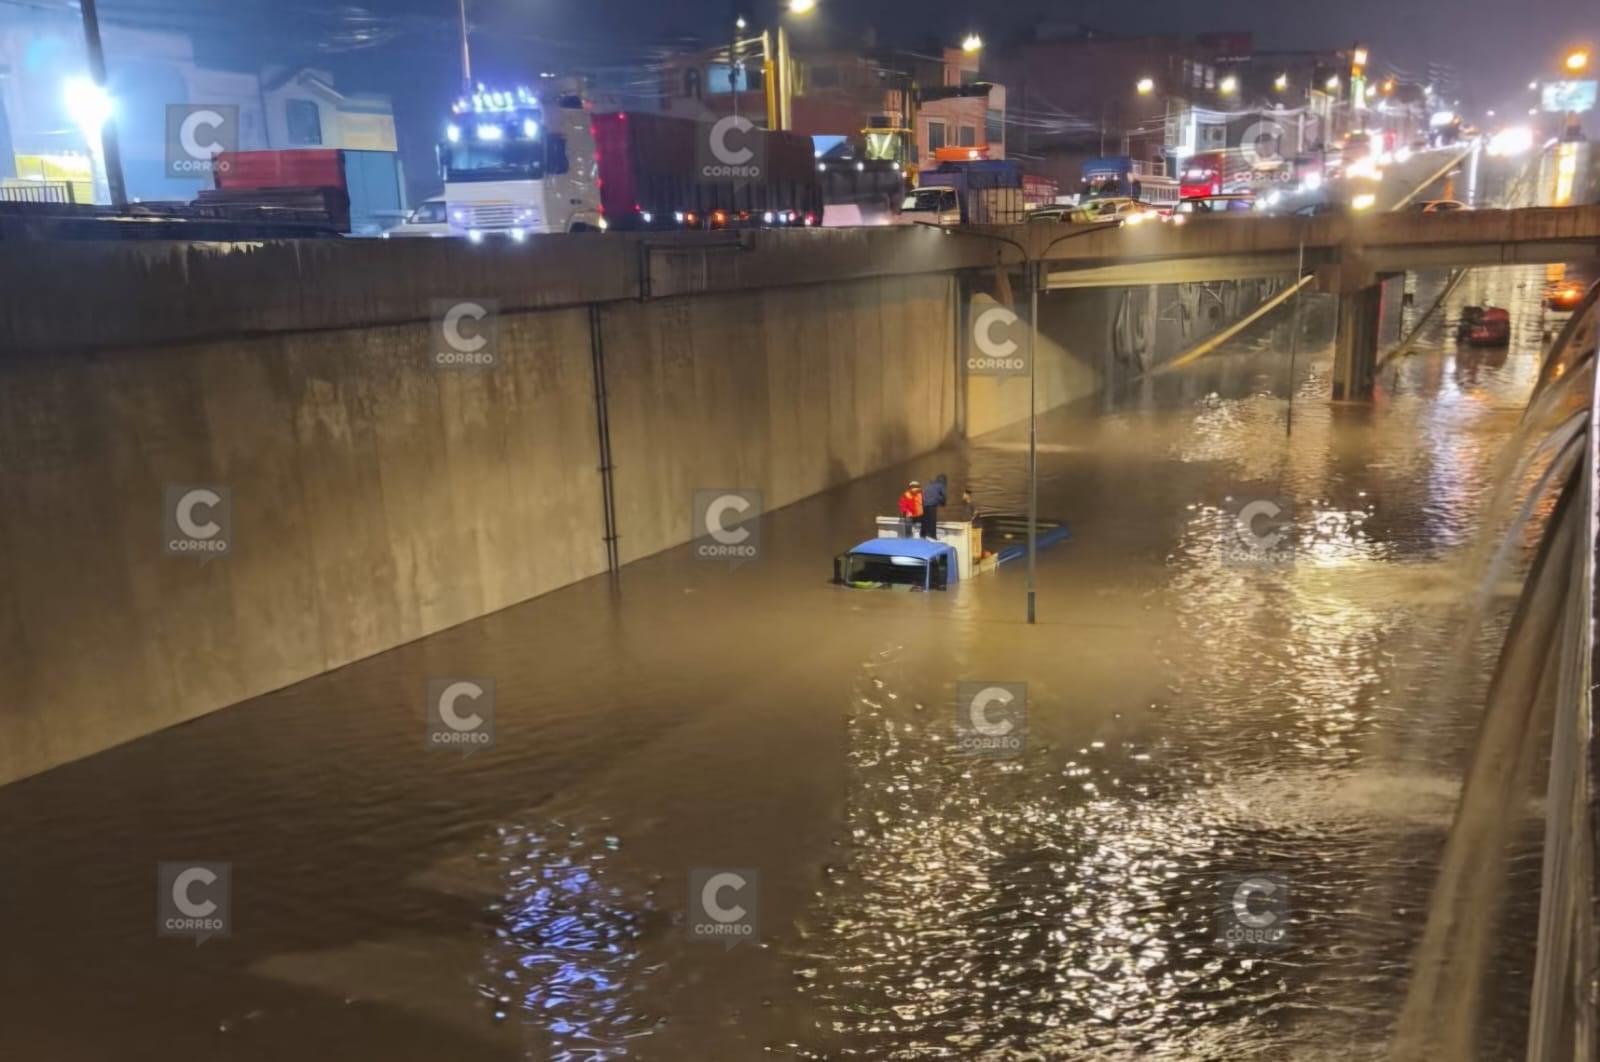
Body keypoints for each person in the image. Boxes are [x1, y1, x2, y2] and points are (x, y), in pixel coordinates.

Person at [919, 473, 948, 539]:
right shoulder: (941, 485)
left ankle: (922, 535)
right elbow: (944, 495)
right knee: (932, 521)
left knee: (924, 521)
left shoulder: (929, 485)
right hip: (931, 504)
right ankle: (932, 536)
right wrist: (943, 503)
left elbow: (923, 494)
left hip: (924, 504)